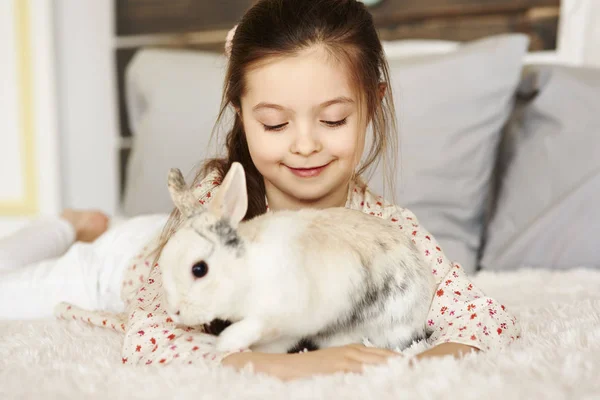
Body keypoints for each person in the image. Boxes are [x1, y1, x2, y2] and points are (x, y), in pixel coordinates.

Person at [0, 0, 520, 381]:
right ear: (242, 115)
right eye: (274, 124)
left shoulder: (387, 233)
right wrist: (283, 366)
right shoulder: (216, 210)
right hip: (120, 263)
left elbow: (481, 318)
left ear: (372, 103)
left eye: (334, 119)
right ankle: (71, 225)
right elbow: (154, 335)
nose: (306, 145)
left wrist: (417, 365)